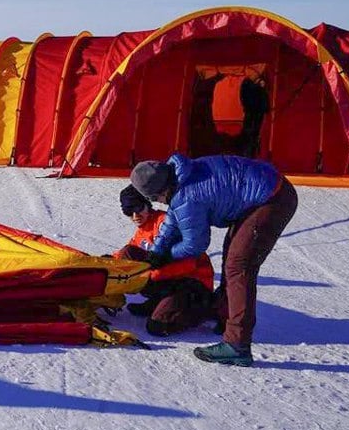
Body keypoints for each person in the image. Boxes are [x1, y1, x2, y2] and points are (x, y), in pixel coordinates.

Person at [130, 153, 298, 367]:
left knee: (239, 267)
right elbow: (174, 217)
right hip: (258, 194)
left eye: (154, 199)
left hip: (272, 199)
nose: (158, 203)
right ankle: (223, 313)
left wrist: (167, 256)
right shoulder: (179, 176)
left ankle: (237, 345)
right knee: (233, 257)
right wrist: (156, 250)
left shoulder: (187, 195)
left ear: (158, 193)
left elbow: (195, 244)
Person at [115, 185, 215, 337]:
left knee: (156, 326)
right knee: (127, 253)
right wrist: (105, 262)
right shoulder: (144, 228)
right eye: (129, 211)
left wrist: (154, 275)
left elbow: (190, 263)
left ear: (147, 204)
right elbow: (128, 251)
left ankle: (205, 309)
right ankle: (159, 301)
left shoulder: (166, 224)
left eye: (138, 208)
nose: (135, 215)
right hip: (169, 280)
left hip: (192, 283)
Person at [238, 75, 270, 158]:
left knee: (254, 135)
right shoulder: (248, 83)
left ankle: (251, 154)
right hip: (252, 113)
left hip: (257, 113)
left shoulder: (252, 83)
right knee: (249, 135)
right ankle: (248, 155)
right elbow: (245, 98)